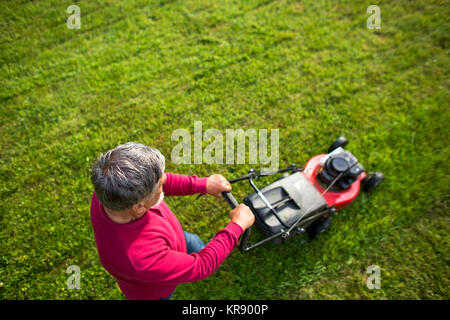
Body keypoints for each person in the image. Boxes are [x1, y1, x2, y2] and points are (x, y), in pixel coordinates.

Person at [89, 142, 255, 300]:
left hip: (173, 238)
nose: (165, 183)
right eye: (161, 185)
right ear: (139, 207)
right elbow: (202, 265)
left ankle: (199, 248)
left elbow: (157, 181)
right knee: (199, 255)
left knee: (193, 243)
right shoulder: (140, 259)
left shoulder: (109, 189)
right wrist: (237, 226)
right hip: (156, 291)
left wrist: (201, 184)